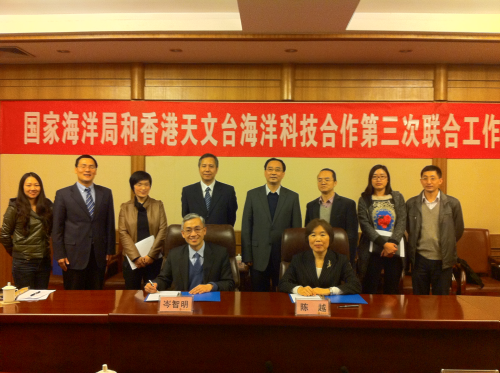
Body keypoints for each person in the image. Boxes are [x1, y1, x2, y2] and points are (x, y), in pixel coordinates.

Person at [52, 155, 116, 290]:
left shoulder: (105, 193)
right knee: (74, 298)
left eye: (91, 167)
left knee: (97, 297)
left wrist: (110, 250)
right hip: (72, 255)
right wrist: (59, 254)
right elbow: (57, 227)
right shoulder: (63, 194)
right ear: (76, 169)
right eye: (83, 166)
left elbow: (109, 224)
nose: (87, 169)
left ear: (96, 171)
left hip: (98, 255)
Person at [241, 157, 302, 292]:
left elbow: (296, 231)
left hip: (282, 257)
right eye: (270, 169)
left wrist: (293, 258)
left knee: (283, 294)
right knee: (258, 296)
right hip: (257, 256)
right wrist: (247, 255)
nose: (273, 172)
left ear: (283, 174)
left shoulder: (292, 197)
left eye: (277, 170)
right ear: (265, 172)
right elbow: (246, 226)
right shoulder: (252, 195)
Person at [407, 165, 464, 295]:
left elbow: (458, 230)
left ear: (440, 181)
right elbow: (410, 229)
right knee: (419, 300)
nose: (429, 182)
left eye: (433, 178)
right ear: (421, 181)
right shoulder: (411, 204)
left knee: (442, 300)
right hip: (419, 259)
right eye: (425, 178)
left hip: (443, 260)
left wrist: (447, 244)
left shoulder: (452, 203)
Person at [145, 213, 234, 294]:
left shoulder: (220, 253)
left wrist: (210, 286)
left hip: (209, 302)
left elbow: (229, 283)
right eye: (188, 230)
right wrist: (154, 285)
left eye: (197, 229)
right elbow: (164, 279)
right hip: (183, 304)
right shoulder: (174, 254)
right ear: (183, 234)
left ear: (204, 231)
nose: (193, 234)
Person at [358, 165, 406, 294]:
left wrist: (392, 244)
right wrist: (384, 244)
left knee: (392, 288)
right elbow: (364, 224)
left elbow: (402, 220)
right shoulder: (364, 199)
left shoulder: (397, 197)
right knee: (369, 286)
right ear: (370, 179)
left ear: (387, 179)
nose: (378, 179)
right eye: (375, 176)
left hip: (394, 249)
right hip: (371, 249)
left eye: (382, 176)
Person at [278, 219, 360, 295]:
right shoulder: (298, 259)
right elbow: (283, 283)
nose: (318, 239)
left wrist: (329, 291)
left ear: (330, 238)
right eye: (313, 235)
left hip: (330, 306)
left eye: (322, 235)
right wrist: (299, 289)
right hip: (305, 306)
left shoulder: (340, 260)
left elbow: (355, 285)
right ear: (308, 239)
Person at [1, 172, 53, 289]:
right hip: (23, 263)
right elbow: (4, 235)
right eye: (28, 185)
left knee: (41, 299)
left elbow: (52, 230)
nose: (33, 188)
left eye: (36, 185)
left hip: (44, 261)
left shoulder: (47, 206)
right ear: (22, 187)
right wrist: (17, 252)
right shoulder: (14, 208)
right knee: (25, 301)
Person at [118, 171, 167, 290]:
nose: (143, 188)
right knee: (131, 295)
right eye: (139, 184)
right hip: (131, 260)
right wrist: (135, 257)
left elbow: (162, 230)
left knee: (153, 294)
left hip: (153, 259)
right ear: (133, 186)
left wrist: (151, 256)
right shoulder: (125, 207)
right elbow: (123, 233)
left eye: (146, 184)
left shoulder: (158, 205)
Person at [304, 168, 358, 267]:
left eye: (327, 179)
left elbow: (352, 235)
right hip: (316, 254)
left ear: (335, 183)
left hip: (339, 254)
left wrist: (349, 259)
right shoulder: (311, 206)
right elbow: (308, 232)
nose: (323, 182)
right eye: (320, 180)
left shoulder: (348, 204)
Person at [181, 153, 238, 226]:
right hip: (196, 235)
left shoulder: (228, 191)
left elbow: (231, 218)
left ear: (216, 169)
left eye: (211, 166)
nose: (207, 170)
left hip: (220, 235)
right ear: (199, 169)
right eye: (204, 166)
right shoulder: (188, 191)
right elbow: (186, 216)